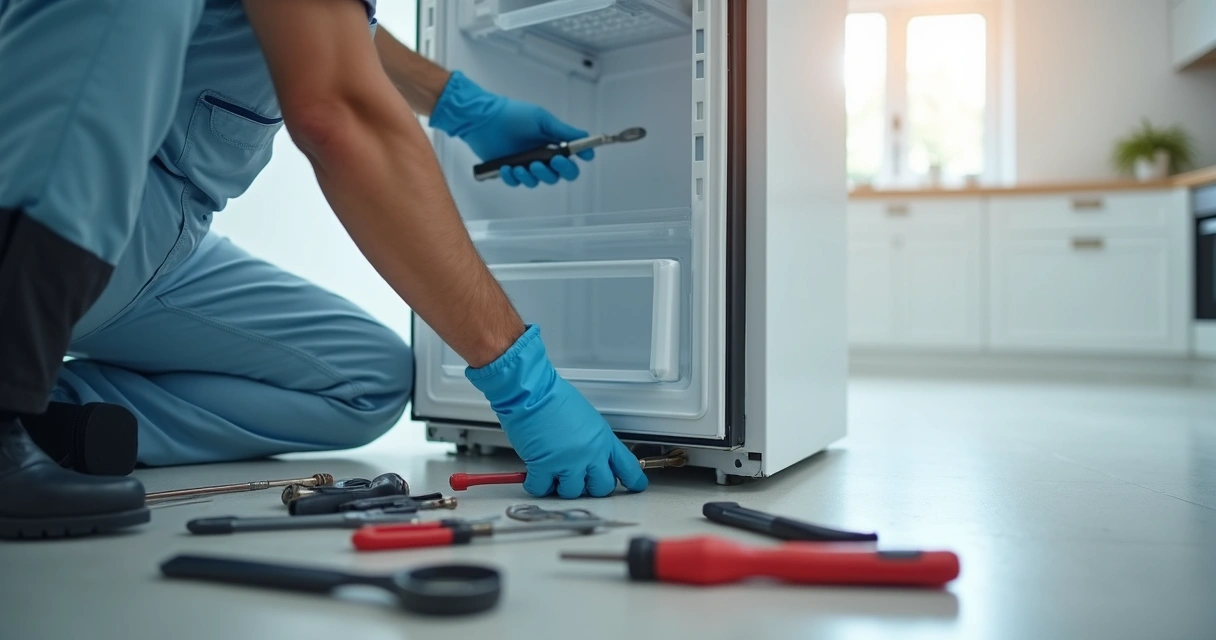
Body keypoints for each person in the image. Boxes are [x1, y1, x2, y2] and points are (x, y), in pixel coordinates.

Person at [0, 0, 649, 540]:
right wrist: (522, 381)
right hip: (55, 205)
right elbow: (337, 114)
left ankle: (41, 413)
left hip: (156, 237)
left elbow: (323, 23)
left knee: (368, 382)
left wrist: (461, 105)